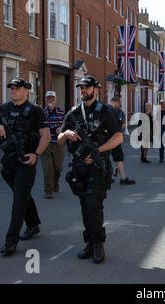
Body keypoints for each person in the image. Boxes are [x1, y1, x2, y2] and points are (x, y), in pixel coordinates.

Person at [58, 76, 123, 264]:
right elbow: (60, 141)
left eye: (86, 88)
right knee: (85, 206)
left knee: (94, 205)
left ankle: (98, 244)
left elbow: (118, 137)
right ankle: (89, 242)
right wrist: (66, 134)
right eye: (81, 88)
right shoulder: (73, 113)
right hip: (79, 168)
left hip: (97, 166)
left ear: (96, 89)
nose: (83, 91)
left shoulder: (105, 111)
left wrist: (98, 151)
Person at [0, 78, 51, 256]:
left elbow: (45, 135)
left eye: (17, 88)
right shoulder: (3, 109)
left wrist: (36, 155)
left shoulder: (35, 111)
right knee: (21, 194)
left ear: (26, 91)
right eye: (11, 88)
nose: (13, 91)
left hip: (26, 160)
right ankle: (33, 224)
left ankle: (10, 242)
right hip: (8, 162)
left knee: (18, 200)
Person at [40, 91, 66, 199]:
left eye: (52, 98)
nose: (50, 100)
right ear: (46, 100)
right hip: (45, 144)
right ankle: (48, 190)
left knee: (58, 168)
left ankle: (55, 183)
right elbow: (37, 127)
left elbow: (68, 125)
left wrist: (62, 129)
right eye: (48, 98)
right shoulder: (42, 113)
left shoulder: (61, 112)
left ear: (55, 100)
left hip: (59, 144)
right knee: (48, 168)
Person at [107, 97, 135, 184]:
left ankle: (108, 176)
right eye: (119, 104)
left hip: (105, 138)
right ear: (116, 103)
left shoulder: (103, 110)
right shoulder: (114, 111)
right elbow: (119, 125)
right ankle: (123, 178)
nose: (119, 106)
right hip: (114, 137)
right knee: (118, 158)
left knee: (105, 157)